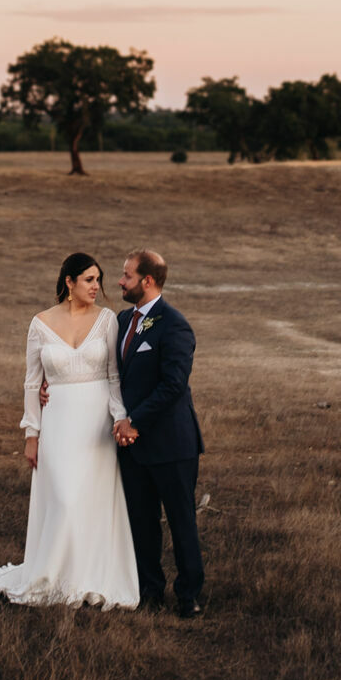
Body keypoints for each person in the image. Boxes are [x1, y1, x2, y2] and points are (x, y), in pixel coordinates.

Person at [0, 252, 139, 608]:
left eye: (99, 280)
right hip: (58, 420)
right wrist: (31, 434)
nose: (97, 287)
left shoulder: (107, 320)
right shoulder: (40, 323)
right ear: (69, 282)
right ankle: (51, 574)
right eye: (89, 280)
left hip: (96, 422)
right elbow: (32, 383)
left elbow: (112, 376)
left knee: (88, 500)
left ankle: (87, 575)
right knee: (62, 497)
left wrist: (120, 417)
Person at [111, 248, 205, 617]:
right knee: (141, 521)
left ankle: (189, 596)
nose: (120, 281)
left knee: (181, 520)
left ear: (147, 281)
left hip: (171, 445)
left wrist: (134, 421)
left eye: (127, 275)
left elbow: (173, 385)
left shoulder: (174, 324)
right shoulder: (120, 321)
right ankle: (150, 591)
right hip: (132, 448)